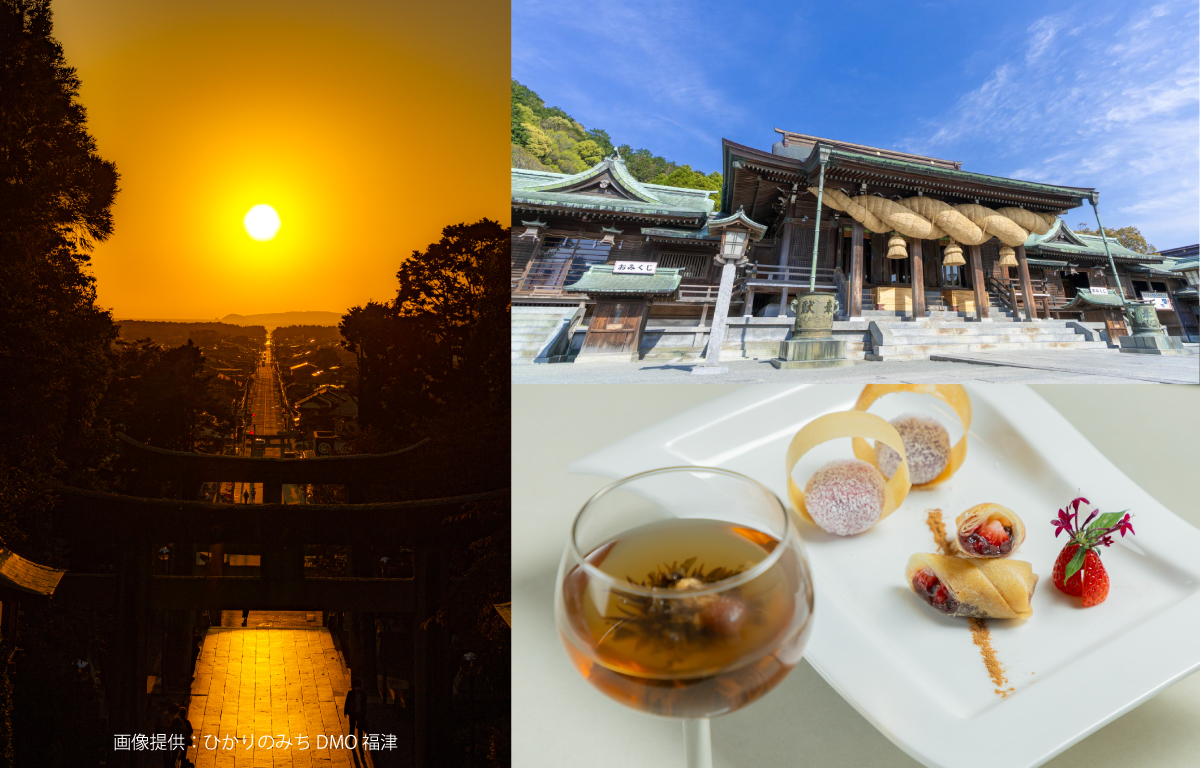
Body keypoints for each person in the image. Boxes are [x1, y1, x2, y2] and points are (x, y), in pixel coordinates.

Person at [343, 679, 367, 747]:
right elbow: (347, 702)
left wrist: (364, 714)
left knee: (360, 728)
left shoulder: (363, 694)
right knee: (352, 727)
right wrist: (346, 711)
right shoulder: (350, 693)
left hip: (360, 713)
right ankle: (351, 738)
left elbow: (365, 705)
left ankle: (360, 740)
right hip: (352, 713)